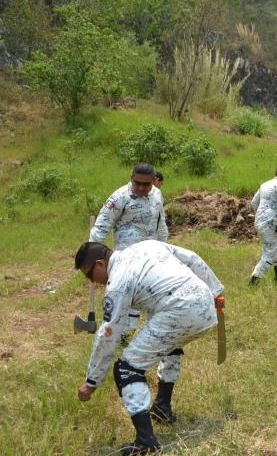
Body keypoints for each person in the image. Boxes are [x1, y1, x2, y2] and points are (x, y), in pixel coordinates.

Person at [75, 240, 224, 455]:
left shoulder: (117, 283)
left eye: (89, 276)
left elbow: (108, 336)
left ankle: (146, 442)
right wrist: (216, 290)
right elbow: (192, 258)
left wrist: (91, 382)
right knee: (169, 345)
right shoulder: (147, 245)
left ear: (100, 264)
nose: (93, 282)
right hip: (204, 304)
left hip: (179, 309)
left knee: (127, 369)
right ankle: (162, 408)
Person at [90, 163, 169, 339]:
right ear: (130, 178)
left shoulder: (157, 195)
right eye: (137, 183)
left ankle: (148, 334)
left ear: (154, 181)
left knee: (150, 295)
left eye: (146, 184)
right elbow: (101, 227)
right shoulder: (119, 198)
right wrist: (91, 257)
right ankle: (119, 335)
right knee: (125, 298)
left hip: (153, 256)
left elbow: (161, 223)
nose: (141, 188)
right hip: (127, 259)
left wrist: (165, 248)